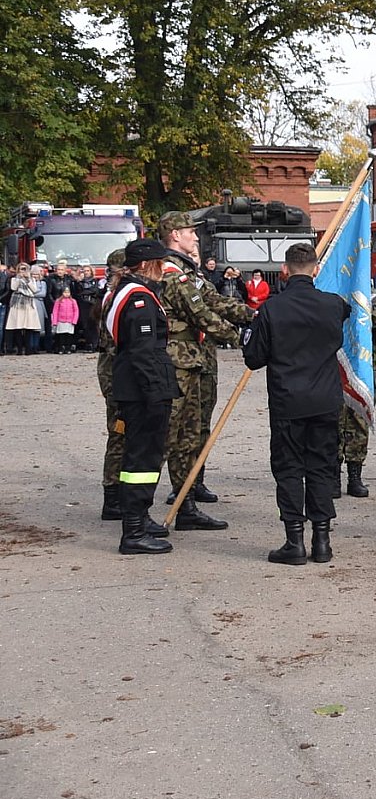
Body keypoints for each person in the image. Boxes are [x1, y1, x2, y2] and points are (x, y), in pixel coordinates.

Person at [243, 242, 349, 565]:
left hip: (288, 400)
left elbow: (254, 358)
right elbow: (346, 313)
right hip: (324, 399)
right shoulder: (333, 305)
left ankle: (295, 541)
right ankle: (322, 540)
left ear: (284, 270)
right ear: (316, 270)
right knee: (321, 467)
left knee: (289, 468)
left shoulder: (272, 309)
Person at [155, 212, 255, 526]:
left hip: (192, 360)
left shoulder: (187, 272)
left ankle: (186, 506)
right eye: (190, 232)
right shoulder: (172, 273)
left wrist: (257, 315)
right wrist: (241, 337)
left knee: (189, 435)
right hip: (176, 361)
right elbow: (201, 314)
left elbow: (214, 301)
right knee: (167, 436)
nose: (196, 237)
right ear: (175, 234)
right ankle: (136, 513)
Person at [106, 239, 182, 555]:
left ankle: (139, 518)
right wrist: (155, 393)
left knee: (144, 459)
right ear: (147, 265)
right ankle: (133, 531)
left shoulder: (134, 292)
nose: (165, 268)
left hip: (140, 388)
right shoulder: (138, 298)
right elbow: (143, 352)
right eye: (161, 263)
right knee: (141, 459)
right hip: (143, 391)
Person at [337, 293, 376, 498]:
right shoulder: (331, 289)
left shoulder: (371, 295)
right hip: (336, 365)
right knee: (332, 419)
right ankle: (332, 474)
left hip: (362, 367)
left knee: (359, 418)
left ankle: (355, 474)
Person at [5, 263, 43, 355]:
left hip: (28, 304)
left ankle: (28, 349)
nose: (23, 271)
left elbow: (34, 290)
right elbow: (13, 288)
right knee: (18, 327)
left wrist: (28, 279)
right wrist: (19, 278)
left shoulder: (32, 279)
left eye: (25, 269)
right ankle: (19, 349)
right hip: (17, 305)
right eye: (21, 269)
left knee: (28, 327)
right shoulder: (14, 279)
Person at [50, 287, 79, 352]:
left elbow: (76, 311)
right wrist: (54, 322)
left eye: (68, 292)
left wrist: (74, 320)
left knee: (69, 335)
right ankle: (61, 348)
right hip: (61, 321)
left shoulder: (73, 301)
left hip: (70, 321)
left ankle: (68, 348)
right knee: (61, 335)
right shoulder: (58, 301)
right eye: (65, 292)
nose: (67, 294)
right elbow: (55, 311)